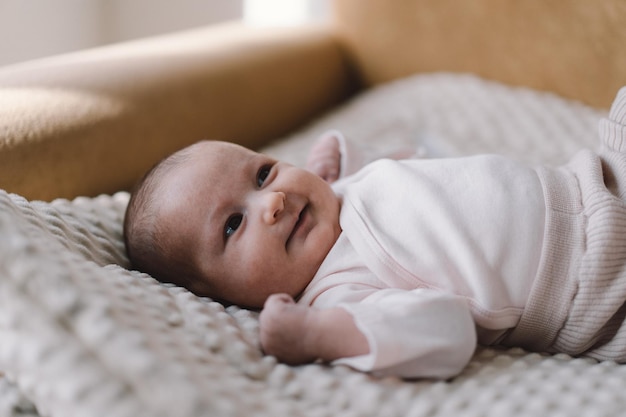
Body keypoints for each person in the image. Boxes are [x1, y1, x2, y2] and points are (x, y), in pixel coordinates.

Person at [124, 87, 626, 379]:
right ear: (214, 292)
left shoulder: (339, 193)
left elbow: (410, 167)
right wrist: (322, 336)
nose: (272, 201)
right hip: (593, 286)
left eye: (263, 173)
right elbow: (446, 332)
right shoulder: (338, 294)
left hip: (597, 176)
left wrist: (341, 155)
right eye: (234, 224)